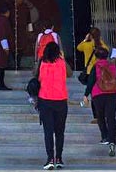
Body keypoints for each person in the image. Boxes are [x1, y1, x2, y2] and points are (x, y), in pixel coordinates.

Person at [83, 47, 116, 158]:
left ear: (96, 57)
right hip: (112, 93)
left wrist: (86, 95)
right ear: (107, 56)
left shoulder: (96, 66)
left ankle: (105, 137)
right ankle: (112, 141)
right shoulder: (113, 66)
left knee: (100, 117)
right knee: (111, 118)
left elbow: (91, 81)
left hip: (98, 94)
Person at [37, 41, 68, 170]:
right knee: (60, 132)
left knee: (48, 131)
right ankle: (59, 158)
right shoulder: (61, 63)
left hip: (45, 100)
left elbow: (38, 78)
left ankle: (50, 159)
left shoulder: (42, 63)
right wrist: (63, 58)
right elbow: (67, 76)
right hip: (61, 100)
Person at [76, 27, 109, 123]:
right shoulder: (100, 45)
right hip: (100, 71)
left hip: (90, 71)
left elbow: (78, 47)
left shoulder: (86, 44)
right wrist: (99, 40)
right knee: (101, 92)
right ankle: (103, 114)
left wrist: (86, 39)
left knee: (93, 94)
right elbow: (107, 50)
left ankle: (96, 116)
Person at [0, 4, 13, 91]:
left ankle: (1, 84)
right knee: (0, 66)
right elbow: (2, 35)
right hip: (1, 47)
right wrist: (6, 47)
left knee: (1, 66)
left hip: (1, 46)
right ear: (7, 12)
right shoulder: (2, 20)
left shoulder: (0, 20)